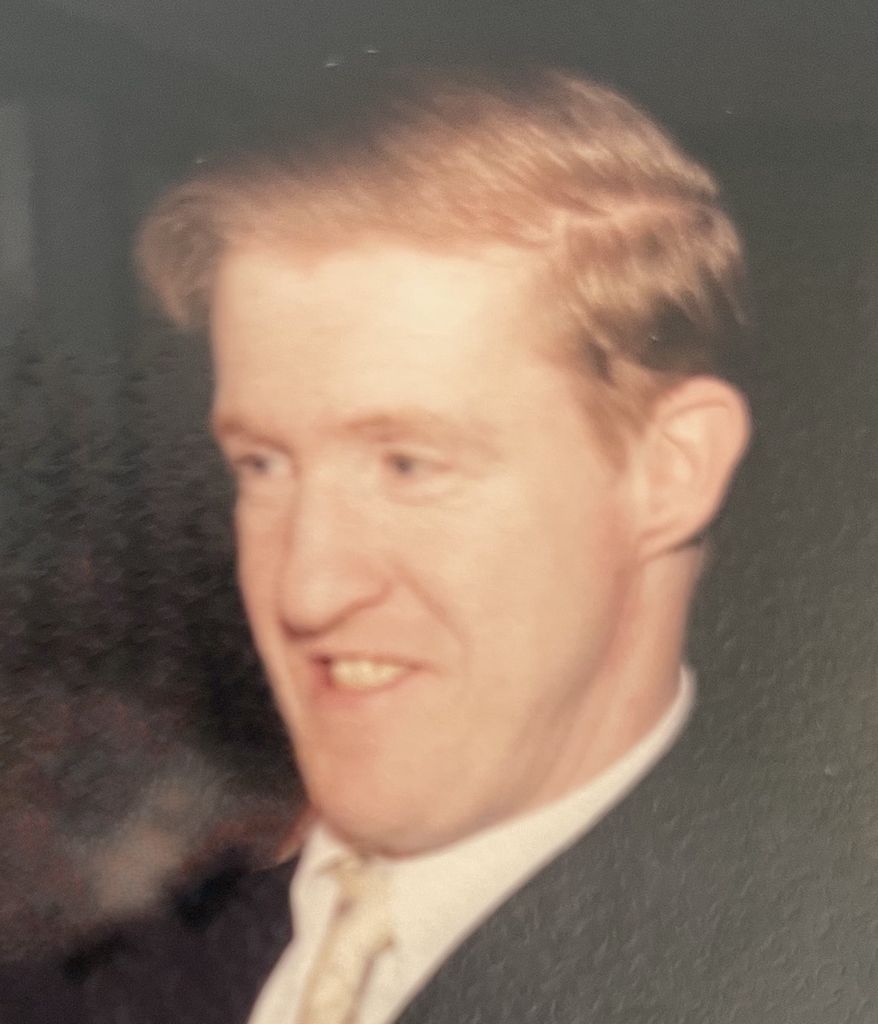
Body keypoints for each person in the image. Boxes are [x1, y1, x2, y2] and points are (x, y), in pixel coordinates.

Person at [124, 65, 758, 1023]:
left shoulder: (781, 965)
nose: (306, 590)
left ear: (670, 471)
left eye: (408, 465)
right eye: (263, 465)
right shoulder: (136, 973)